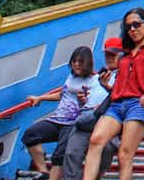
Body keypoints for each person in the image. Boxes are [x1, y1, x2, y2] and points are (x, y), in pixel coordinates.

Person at [83, 7, 144, 180]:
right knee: (95, 141)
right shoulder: (125, 55)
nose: (132, 29)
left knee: (124, 155)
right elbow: (121, 86)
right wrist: (107, 86)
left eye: (136, 24)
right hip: (116, 105)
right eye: (128, 26)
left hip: (139, 104)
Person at [22, 46, 108, 180]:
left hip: (73, 124)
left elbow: (97, 104)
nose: (76, 64)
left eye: (80, 61)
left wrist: (84, 101)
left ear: (88, 63)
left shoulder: (96, 80)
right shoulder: (71, 77)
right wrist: (40, 98)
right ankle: (44, 172)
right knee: (30, 135)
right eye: (74, 61)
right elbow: (63, 94)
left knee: (59, 157)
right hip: (57, 119)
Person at [61, 39, 121, 180]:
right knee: (71, 153)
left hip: (108, 121)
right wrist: (82, 102)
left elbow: (122, 98)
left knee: (105, 152)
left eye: (113, 55)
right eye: (107, 55)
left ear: (122, 55)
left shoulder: (125, 75)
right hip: (88, 119)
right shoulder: (97, 76)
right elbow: (87, 101)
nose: (109, 58)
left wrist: (107, 86)